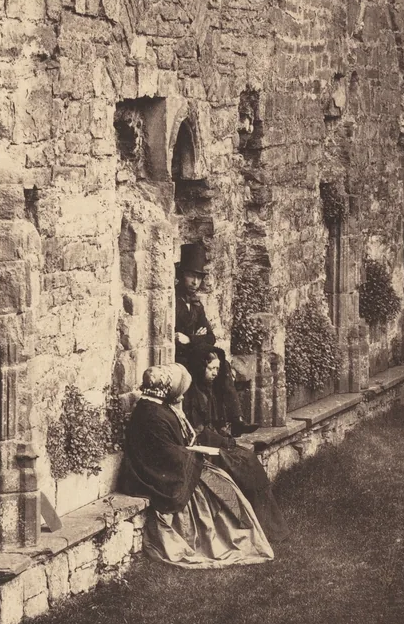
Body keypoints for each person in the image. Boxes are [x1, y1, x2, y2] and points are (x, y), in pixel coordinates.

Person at [122, 364, 274, 568]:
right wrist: (196, 456)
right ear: (165, 388)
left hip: (169, 465)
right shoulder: (152, 413)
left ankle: (246, 529)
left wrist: (195, 453)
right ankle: (227, 537)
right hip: (157, 473)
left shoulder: (156, 407)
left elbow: (171, 446)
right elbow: (163, 453)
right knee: (215, 484)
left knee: (222, 479)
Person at [184, 347, 289, 542]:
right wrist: (224, 441)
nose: (215, 373)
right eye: (211, 369)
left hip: (215, 443)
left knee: (249, 461)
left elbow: (213, 425)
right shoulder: (192, 394)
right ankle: (261, 526)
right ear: (201, 368)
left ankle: (269, 526)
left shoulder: (209, 390)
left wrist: (224, 437)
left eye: (217, 369)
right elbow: (198, 432)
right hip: (203, 450)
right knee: (244, 463)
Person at [175, 241, 215, 367]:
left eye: (199, 277)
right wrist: (197, 338)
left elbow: (210, 338)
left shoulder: (196, 304)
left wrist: (190, 339)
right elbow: (175, 339)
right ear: (182, 275)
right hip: (179, 360)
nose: (195, 282)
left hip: (194, 356)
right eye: (191, 276)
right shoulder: (173, 301)